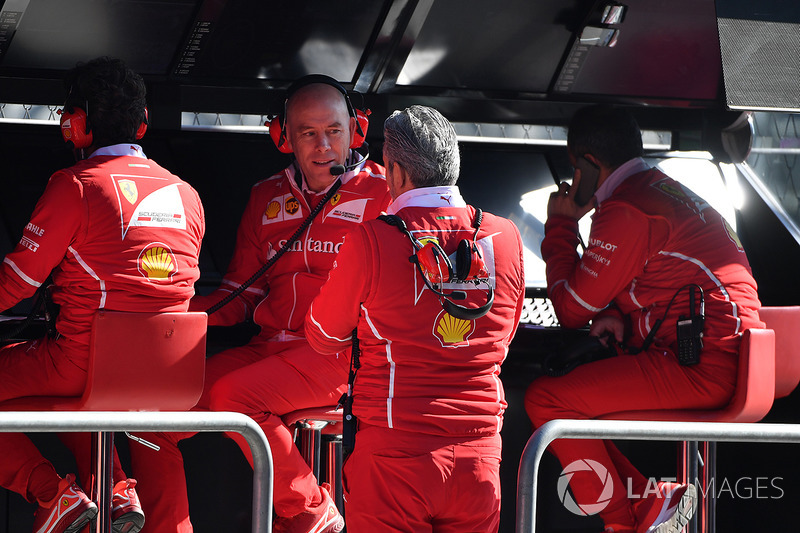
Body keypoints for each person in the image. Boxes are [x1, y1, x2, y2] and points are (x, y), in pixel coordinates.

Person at [128, 74, 391, 533]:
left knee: (235, 396)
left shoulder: (385, 195)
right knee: (150, 419)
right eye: (308, 133)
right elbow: (240, 294)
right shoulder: (265, 196)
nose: (323, 145)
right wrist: (171, 316)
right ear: (283, 137)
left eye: (333, 130)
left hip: (340, 355)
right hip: (271, 350)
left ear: (357, 130)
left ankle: (311, 513)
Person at [524, 105, 764, 533]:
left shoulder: (627, 210)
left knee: (547, 400)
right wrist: (622, 316)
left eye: (573, 169)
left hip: (702, 366)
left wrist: (560, 225)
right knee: (571, 404)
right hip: (729, 357)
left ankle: (624, 525)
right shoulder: (664, 192)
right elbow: (670, 281)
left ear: (587, 164)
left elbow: (571, 309)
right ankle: (650, 508)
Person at [0, 56, 205, 533]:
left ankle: (53, 496)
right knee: (70, 395)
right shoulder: (187, 194)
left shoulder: (74, 186)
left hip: (84, 365)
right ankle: (113, 494)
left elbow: (16, 283)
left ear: (77, 124)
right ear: (143, 122)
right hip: (170, 377)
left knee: (60, 377)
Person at [305, 104, 526, 533]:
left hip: (394, 454)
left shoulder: (371, 238)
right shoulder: (508, 237)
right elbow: (504, 335)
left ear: (395, 171)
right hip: (481, 457)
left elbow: (322, 335)